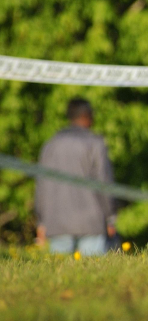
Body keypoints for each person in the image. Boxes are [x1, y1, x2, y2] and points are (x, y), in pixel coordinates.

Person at [35, 98, 117, 256]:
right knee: (94, 276)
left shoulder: (50, 145)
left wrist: (41, 220)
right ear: (87, 116)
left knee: (60, 277)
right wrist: (110, 217)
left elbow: (41, 186)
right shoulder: (95, 143)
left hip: (57, 222)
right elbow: (104, 183)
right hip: (91, 223)